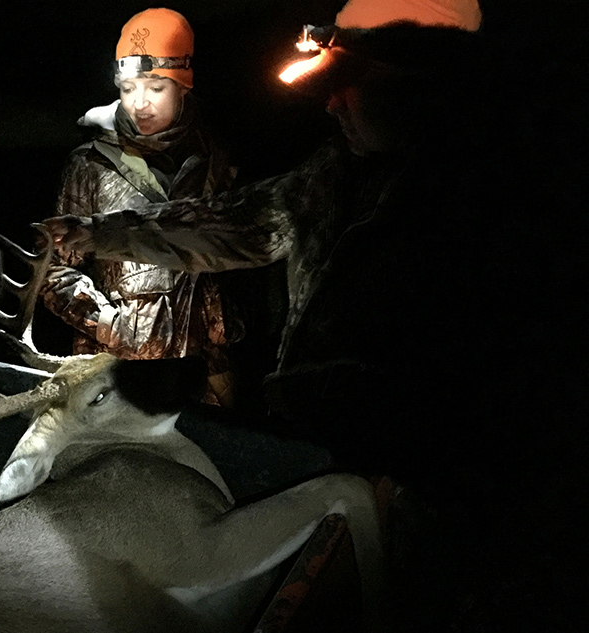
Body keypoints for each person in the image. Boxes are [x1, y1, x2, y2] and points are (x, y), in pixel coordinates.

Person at [42, 0, 588, 630]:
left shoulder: (514, 209)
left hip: (454, 498)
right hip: (335, 451)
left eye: (346, 86)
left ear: (421, 90)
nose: (330, 106)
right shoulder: (337, 173)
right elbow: (239, 224)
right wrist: (98, 235)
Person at [39, 8, 279, 407]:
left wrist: (220, 336)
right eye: (129, 88)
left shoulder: (217, 162)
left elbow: (241, 262)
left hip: (203, 375)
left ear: (183, 87)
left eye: (155, 87)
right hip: (115, 373)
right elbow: (53, 268)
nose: (140, 104)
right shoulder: (91, 165)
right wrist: (104, 321)